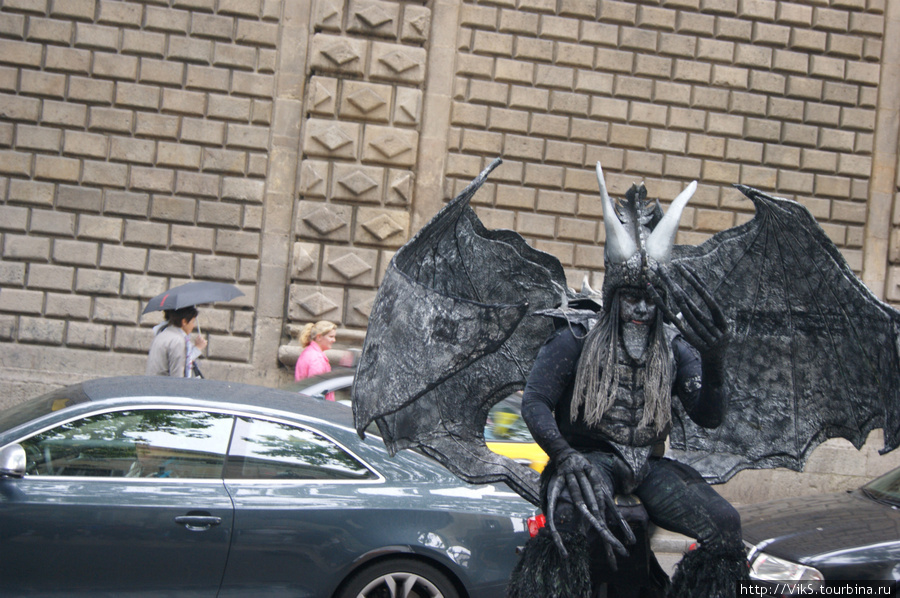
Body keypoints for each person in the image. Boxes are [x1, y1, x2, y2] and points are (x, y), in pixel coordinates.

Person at [510, 169, 747, 598]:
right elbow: (535, 403)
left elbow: (709, 417)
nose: (640, 307)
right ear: (614, 296)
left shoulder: (676, 349)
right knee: (567, 516)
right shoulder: (575, 339)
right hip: (592, 458)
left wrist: (715, 364)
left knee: (727, 527)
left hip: (649, 467)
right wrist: (564, 456)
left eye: (649, 299)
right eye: (630, 298)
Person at [146, 306, 207, 377]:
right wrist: (197, 348)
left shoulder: (162, 334)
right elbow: (177, 375)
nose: (193, 326)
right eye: (192, 322)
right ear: (184, 322)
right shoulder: (177, 341)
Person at [295, 320, 337, 399]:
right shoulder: (317, 359)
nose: (334, 340)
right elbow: (317, 391)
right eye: (331, 337)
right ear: (319, 337)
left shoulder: (309, 352)